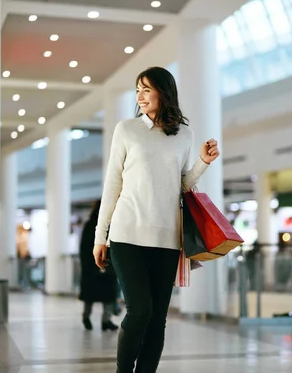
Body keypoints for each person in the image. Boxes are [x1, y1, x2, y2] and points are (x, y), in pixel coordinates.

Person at [93, 66, 220, 373]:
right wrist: (101, 236)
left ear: (164, 93)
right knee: (140, 311)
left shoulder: (185, 135)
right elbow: (112, 184)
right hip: (126, 235)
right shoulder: (126, 129)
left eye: (146, 89)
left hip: (167, 238)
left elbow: (182, 185)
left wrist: (202, 162)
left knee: (157, 319)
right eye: (138, 90)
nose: (140, 96)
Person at [79, 200, 119, 331]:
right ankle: (105, 321)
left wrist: (86, 266)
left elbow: (83, 248)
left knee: (90, 296)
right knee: (108, 295)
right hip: (106, 266)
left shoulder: (89, 225)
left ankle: (86, 317)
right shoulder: (109, 225)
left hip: (91, 268)